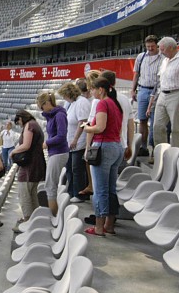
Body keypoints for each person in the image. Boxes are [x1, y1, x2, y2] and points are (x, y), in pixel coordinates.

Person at [83, 71, 127, 236]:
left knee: (100, 190)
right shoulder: (116, 104)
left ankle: (99, 226)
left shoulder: (103, 104)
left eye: (93, 89)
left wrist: (87, 128)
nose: (92, 93)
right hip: (116, 146)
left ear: (100, 89)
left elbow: (100, 127)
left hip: (104, 147)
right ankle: (109, 224)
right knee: (110, 189)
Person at [150, 36, 179, 150]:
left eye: (162, 49)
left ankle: (175, 155)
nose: (161, 52)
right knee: (157, 126)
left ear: (170, 48)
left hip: (177, 94)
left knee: (176, 128)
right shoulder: (165, 61)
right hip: (162, 94)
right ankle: (161, 152)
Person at [38, 90, 69, 217]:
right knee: (50, 185)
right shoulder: (54, 115)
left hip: (58, 152)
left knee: (50, 186)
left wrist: (47, 143)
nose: (41, 109)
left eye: (41, 106)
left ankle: (54, 218)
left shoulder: (59, 115)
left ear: (46, 103)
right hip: (55, 153)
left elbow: (62, 136)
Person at [12, 109, 47, 223]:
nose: (19, 125)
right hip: (36, 164)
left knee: (24, 194)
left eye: (18, 122)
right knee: (32, 195)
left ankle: (28, 220)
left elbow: (26, 145)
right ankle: (35, 221)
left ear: (21, 118)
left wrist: (13, 152)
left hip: (30, 165)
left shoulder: (29, 125)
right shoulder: (35, 124)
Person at [131, 35, 161, 157]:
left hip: (157, 91)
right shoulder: (141, 57)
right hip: (143, 89)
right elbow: (136, 74)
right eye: (148, 46)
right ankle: (143, 147)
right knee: (142, 120)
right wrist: (133, 90)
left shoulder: (162, 57)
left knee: (155, 121)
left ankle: (154, 148)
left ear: (157, 45)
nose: (150, 48)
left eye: (152, 46)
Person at [62, 81, 92, 203]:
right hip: (71, 143)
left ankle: (80, 194)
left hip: (79, 142)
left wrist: (75, 139)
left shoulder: (81, 102)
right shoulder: (73, 103)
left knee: (77, 169)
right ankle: (72, 191)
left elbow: (82, 122)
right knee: (70, 167)